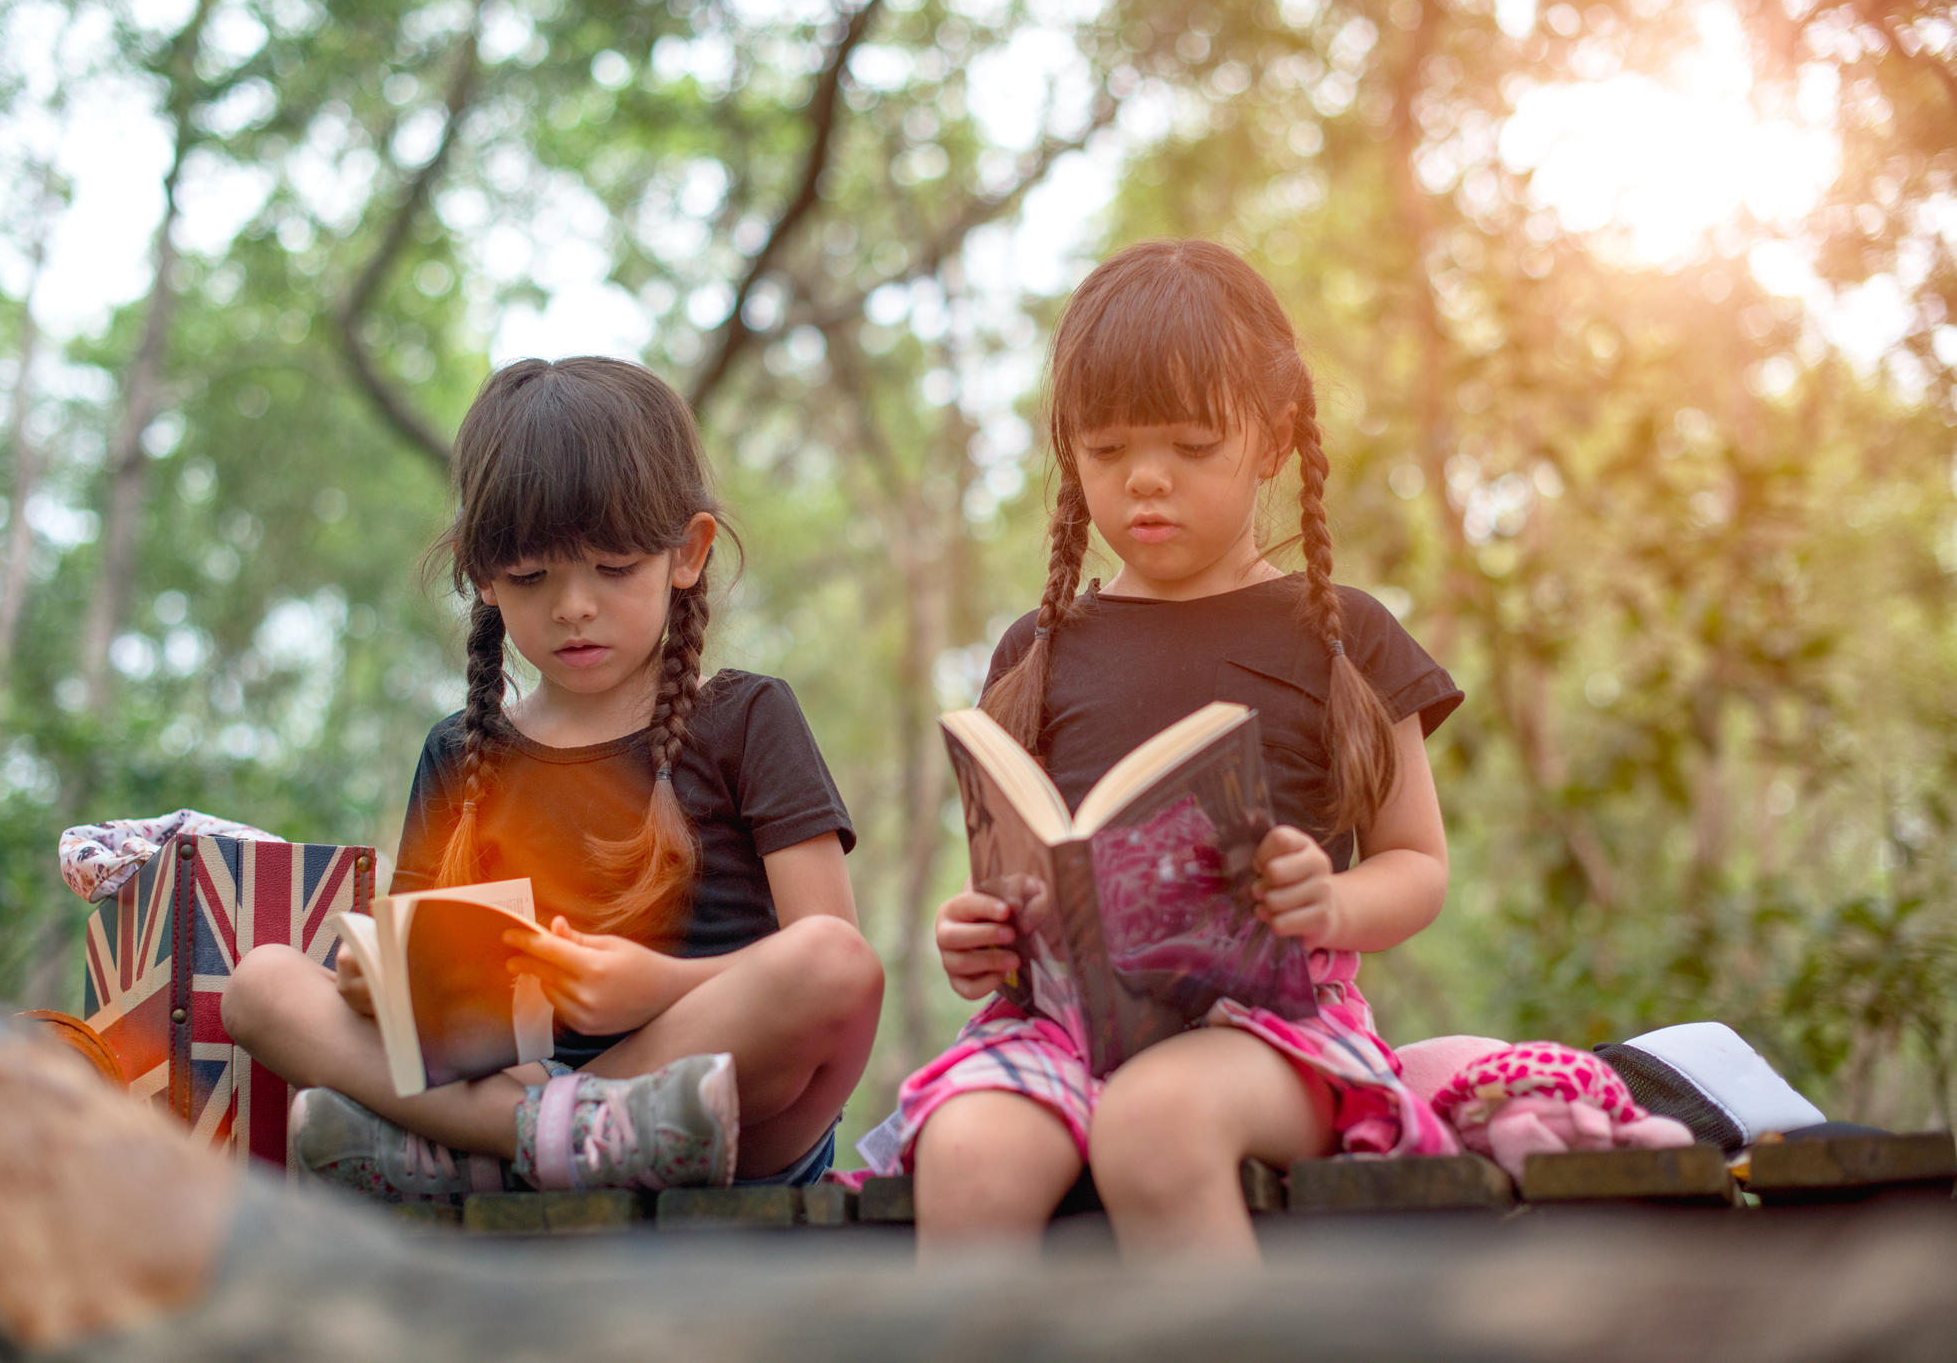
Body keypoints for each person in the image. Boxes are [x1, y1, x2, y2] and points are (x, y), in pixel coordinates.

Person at [904, 239, 1465, 1259]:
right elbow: (1019, 870)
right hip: (1062, 1027)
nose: (1144, 482)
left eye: (1189, 446)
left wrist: (1331, 903)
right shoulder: (1037, 653)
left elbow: (1418, 866)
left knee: (1156, 1126)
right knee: (967, 1155)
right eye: (1108, 450)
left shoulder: (1342, 634)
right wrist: (976, 935)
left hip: (1271, 1032)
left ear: (1272, 439)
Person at [223, 357, 882, 1197]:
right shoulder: (461, 752)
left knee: (830, 962)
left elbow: (833, 958)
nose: (574, 606)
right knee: (259, 986)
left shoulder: (745, 718)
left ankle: (498, 1150)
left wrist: (658, 987)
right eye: (534, 577)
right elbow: (425, 1002)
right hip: (512, 1084)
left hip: (719, 1105)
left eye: (612, 569)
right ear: (483, 574)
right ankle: (536, 1139)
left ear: (687, 551)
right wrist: (381, 985)